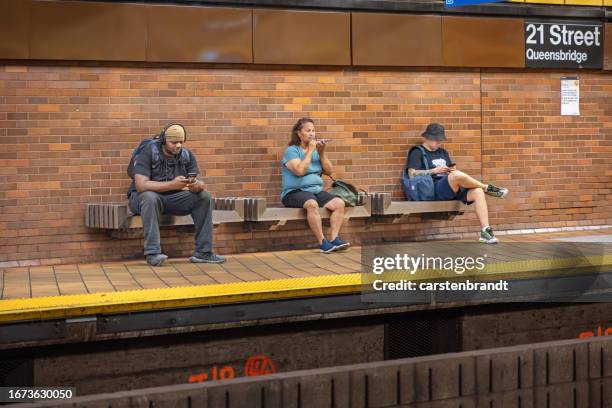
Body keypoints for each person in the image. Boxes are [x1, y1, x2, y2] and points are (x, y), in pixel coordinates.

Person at [128, 123, 225, 266]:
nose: (178, 145)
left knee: (204, 197)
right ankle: (153, 253)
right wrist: (172, 184)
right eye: (173, 142)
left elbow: (197, 180)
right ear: (163, 141)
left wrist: (197, 185)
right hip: (142, 199)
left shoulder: (186, 155)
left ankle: (203, 252)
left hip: (172, 198)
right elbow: (141, 185)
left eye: (181, 142)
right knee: (150, 197)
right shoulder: (148, 152)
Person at [407, 123, 509, 244]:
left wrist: (452, 170)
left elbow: (452, 171)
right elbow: (411, 174)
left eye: (441, 140)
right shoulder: (417, 152)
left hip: (452, 186)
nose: (439, 143)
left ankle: (486, 232)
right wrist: (434, 171)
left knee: (478, 192)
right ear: (427, 137)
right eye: (437, 140)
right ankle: (487, 187)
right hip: (435, 189)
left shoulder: (443, 152)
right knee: (457, 176)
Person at [281, 118, 350, 253]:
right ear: (299, 134)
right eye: (308, 130)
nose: (312, 133)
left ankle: (334, 239)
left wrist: (322, 153)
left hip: (315, 191)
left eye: (313, 130)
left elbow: (330, 171)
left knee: (339, 203)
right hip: (294, 192)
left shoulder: (316, 151)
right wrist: (311, 151)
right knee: (312, 204)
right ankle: (322, 243)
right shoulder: (292, 151)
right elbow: (300, 171)